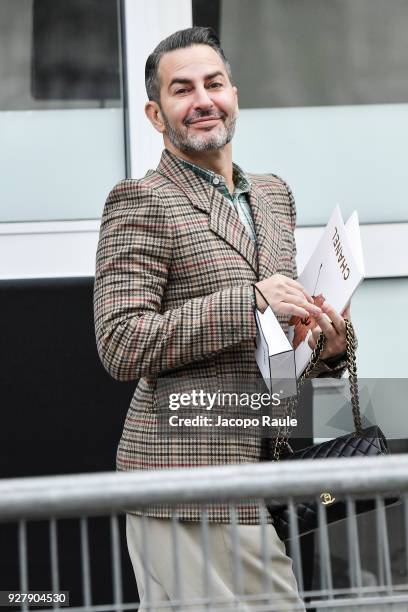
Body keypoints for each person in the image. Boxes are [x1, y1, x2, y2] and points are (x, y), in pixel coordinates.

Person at [93, 26, 350, 611]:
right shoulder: (140, 201)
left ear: (235, 93)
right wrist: (251, 301)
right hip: (187, 480)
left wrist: (329, 344)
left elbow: (276, 349)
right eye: (182, 90)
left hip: (267, 466)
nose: (203, 99)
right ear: (156, 115)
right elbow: (120, 341)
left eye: (214, 83)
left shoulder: (273, 194)